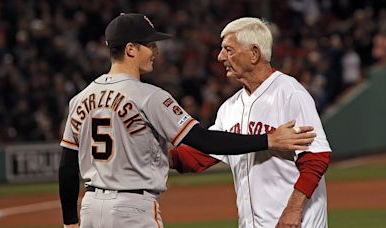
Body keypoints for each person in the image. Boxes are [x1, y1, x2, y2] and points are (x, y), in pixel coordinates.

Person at [58, 13, 316, 228]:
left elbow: (67, 165)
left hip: (91, 207)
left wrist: (71, 220)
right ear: (130, 49)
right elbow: (203, 140)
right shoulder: (150, 97)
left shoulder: (80, 99)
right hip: (132, 209)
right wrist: (268, 139)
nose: (156, 51)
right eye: (150, 44)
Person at [170, 17, 331, 228]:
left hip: (296, 222)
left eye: (228, 50)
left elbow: (316, 158)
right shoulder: (230, 107)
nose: (220, 57)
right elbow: (199, 156)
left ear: (254, 53)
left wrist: (293, 210)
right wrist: (154, 156)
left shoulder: (289, 93)